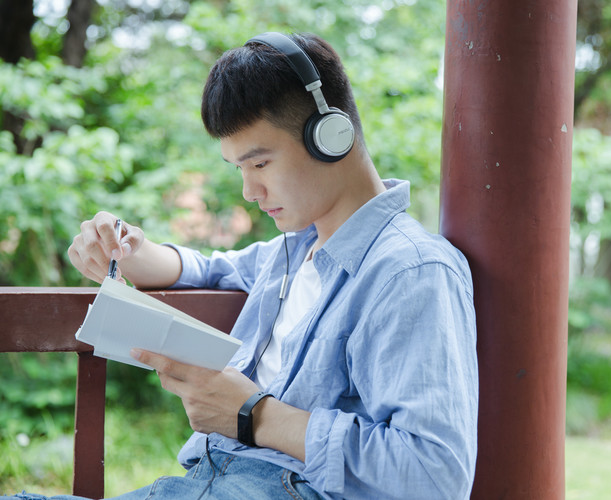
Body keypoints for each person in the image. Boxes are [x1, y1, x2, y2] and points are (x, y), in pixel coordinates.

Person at [11, 32, 478, 500]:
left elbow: (434, 474)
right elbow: (208, 268)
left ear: (331, 137)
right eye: (238, 170)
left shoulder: (411, 272)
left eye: (259, 165)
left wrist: (254, 415)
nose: (248, 193)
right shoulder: (291, 251)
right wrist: (127, 247)